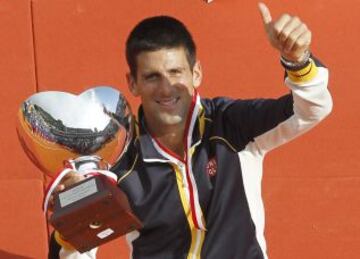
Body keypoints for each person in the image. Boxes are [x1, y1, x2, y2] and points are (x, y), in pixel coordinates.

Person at [48, 2, 332, 259]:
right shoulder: (117, 159)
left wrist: (298, 61)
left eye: (175, 73)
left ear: (196, 74)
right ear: (132, 83)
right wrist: (72, 223)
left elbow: (311, 109)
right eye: (151, 77)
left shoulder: (230, 125)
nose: (166, 88)